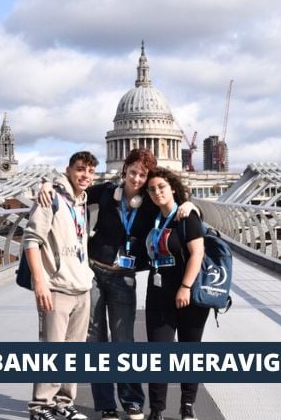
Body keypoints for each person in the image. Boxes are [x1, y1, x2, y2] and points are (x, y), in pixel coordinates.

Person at [39, 149, 195, 420]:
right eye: (132, 172)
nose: (136, 178)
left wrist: (191, 206)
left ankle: (132, 401)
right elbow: (73, 188)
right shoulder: (107, 192)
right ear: (124, 170)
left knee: (124, 339)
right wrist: (45, 184)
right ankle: (106, 404)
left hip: (124, 277)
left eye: (142, 174)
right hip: (94, 273)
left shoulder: (149, 202)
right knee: (96, 340)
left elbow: (175, 202)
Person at [24, 151, 99, 420]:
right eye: (80, 169)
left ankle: (63, 403)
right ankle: (40, 408)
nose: (85, 176)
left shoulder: (82, 201)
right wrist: (40, 282)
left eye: (90, 171)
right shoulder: (51, 197)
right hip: (55, 286)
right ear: (68, 169)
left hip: (81, 286)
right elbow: (31, 240)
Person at [143, 168, 209, 420]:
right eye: (152, 189)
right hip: (158, 292)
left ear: (172, 187)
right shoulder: (151, 216)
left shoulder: (186, 216)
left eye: (161, 187)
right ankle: (157, 409)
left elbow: (198, 254)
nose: (157, 192)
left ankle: (188, 405)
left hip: (187, 293)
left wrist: (185, 287)